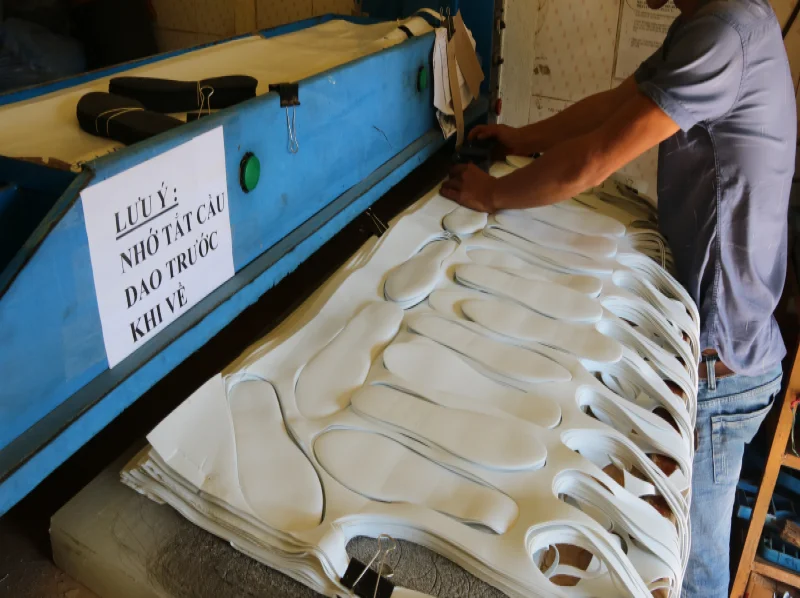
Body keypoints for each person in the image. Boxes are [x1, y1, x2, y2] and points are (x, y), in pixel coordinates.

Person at [441, 0, 796, 595]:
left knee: (685, 567)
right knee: (648, 538)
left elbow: (597, 157)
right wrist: (518, 138)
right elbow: (614, 107)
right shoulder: (715, 21)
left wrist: (493, 195)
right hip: (718, 347)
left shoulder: (723, 33)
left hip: (717, 366)